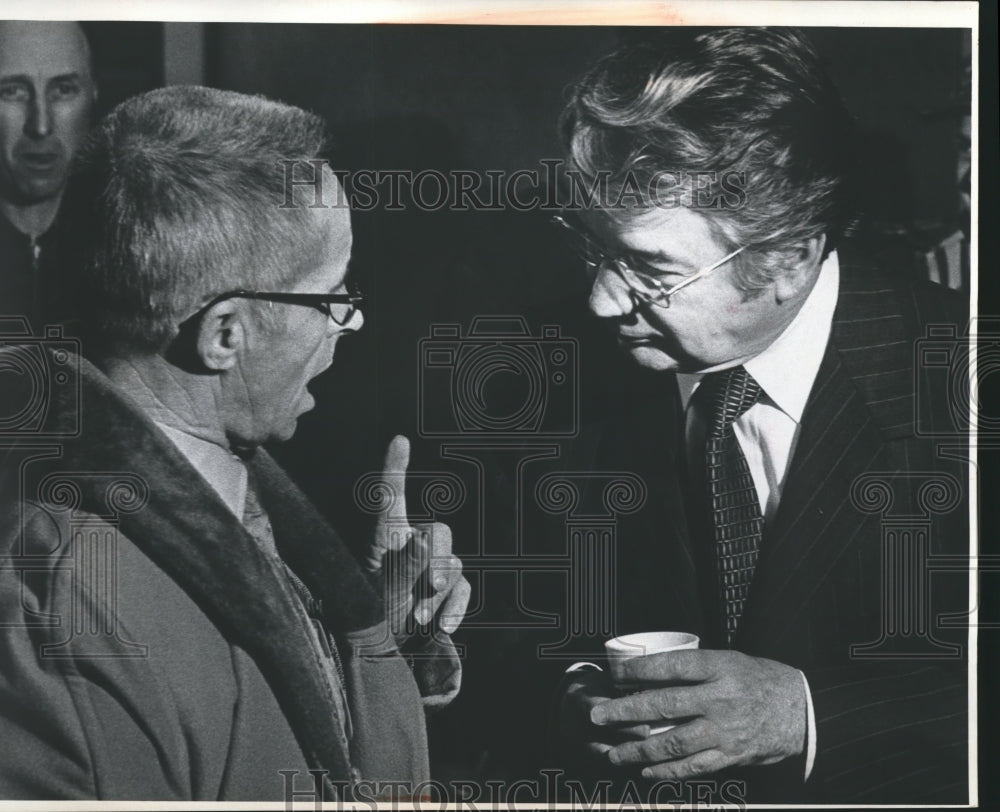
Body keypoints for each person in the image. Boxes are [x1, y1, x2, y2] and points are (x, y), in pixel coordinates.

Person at [0, 86, 470, 801]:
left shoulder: (238, 502)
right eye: (332, 296)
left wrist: (376, 643)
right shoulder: (66, 612)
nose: (349, 323)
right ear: (226, 334)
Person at [547, 28, 969, 804]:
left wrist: (810, 717)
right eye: (591, 246)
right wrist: (581, 684)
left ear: (790, 257)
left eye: (650, 269)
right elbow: (558, 618)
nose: (601, 301)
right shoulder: (572, 375)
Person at [0, 20, 95, 327]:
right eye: (12, 91)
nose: (40, 125)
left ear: (93, 95)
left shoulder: (134, 247)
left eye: (63, 90)